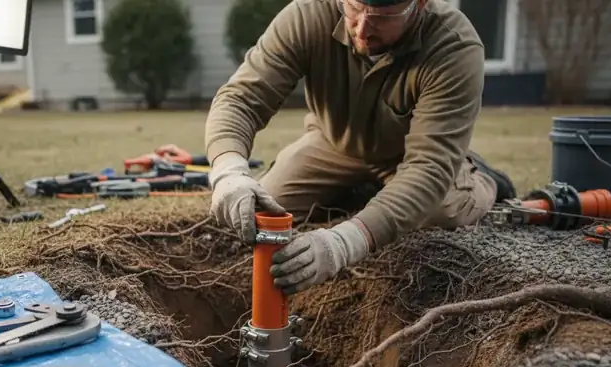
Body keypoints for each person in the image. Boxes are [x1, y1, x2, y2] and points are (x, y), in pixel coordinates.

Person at [204, 0, 516, 294]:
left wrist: (344, 243)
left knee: (440, 212)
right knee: (269, 204)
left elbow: (428, 168)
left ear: (419, 4)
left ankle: (483, 179)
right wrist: (229, 171)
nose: (362, 28)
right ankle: (365, 193)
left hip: (409, 156)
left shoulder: (453, 46)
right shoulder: (308, 15)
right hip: (332, 143)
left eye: (381, 18)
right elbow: (241, 99)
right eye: (353, 7)